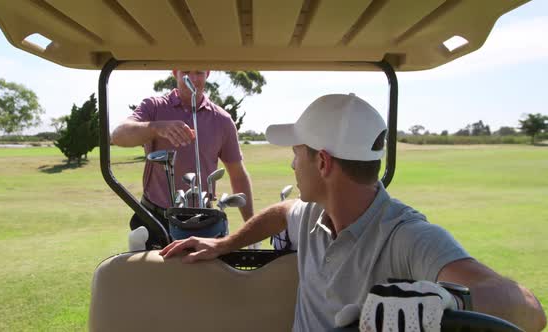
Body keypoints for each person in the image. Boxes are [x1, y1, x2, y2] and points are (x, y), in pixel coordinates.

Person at [160, 93, 546, 331]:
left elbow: (531, 311)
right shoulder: (312, 213)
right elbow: (280, 211)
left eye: (297, 153)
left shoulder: (407, 236)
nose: (292, 165)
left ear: (323, 163)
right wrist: (225, 242)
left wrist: (452, 300)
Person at [111, 70, 254, 246]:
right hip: (155, 219)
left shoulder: (222, 120)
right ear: (175, 72)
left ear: (208, 73)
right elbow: (118, 136)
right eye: (186, 72)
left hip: (204, 220)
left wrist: (251, 228)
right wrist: (156, 128)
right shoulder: (154, 107)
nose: (193, 79)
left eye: (199, 73)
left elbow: (238, 175)